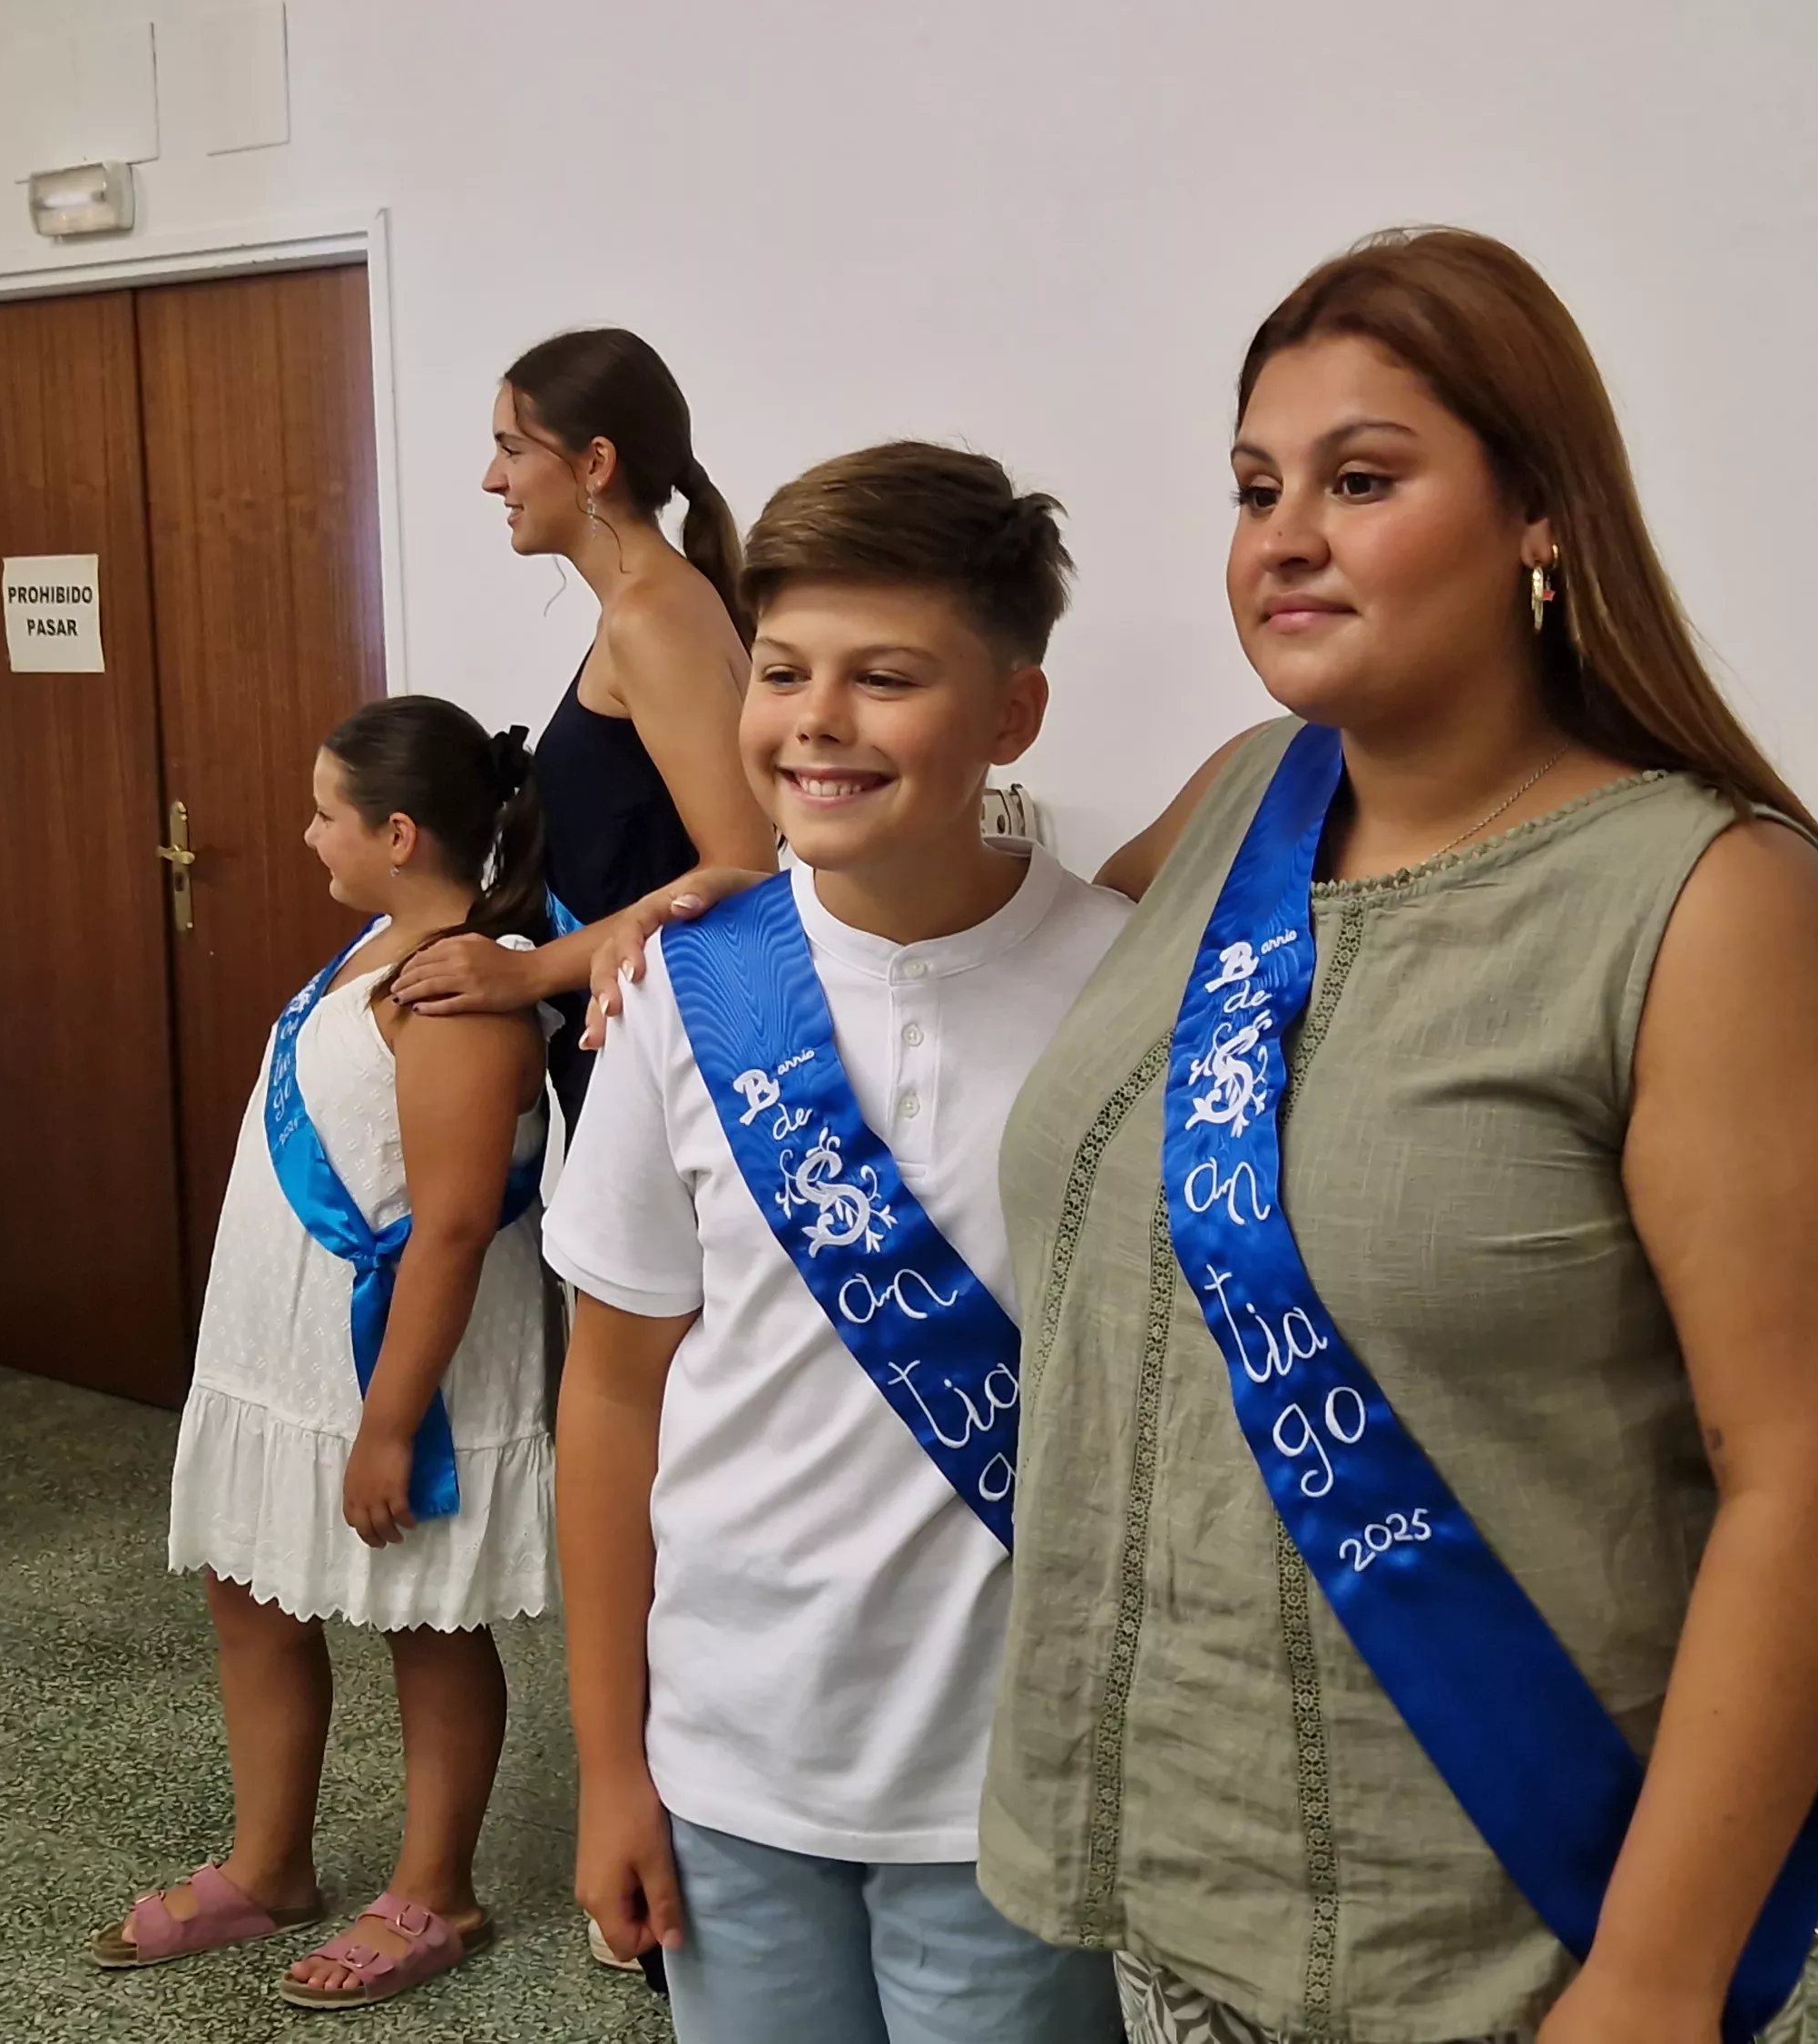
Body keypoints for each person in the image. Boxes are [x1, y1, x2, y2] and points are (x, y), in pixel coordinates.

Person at [978, 229, 1818, 2044]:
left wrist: (1648, 1984)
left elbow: (1807, 1488)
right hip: (1173, 1890)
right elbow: (980, 952)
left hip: (1506, 1939)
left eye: (1360, 478)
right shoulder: (1241, 801)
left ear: (1538, 517)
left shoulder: (1705, 904)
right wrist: (692, 916)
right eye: (1255, 485)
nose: (1282, 534)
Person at [545, 444, 1127, 2044]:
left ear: (1014, 712)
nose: (817, 720)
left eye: (888, 677)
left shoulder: (1129, 992)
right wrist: (612, 1765)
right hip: (732, 1768)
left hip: (1013, 1786)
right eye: (784, 669)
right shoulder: (684, 987)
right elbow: (608, 1397)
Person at [98, 698, 558, 2011]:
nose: (307, 834)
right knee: (252, 1594)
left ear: (399, 832)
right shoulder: (379, 942)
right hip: (285, 1364)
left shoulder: (465, 987)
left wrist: (389, 1422)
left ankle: (436, 1891)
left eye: (324, 812)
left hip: (397, 1373)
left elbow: (457, 1225)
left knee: (428, 1620)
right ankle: (271, 1863)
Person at [390, 329, 774, 1131]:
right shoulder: (646, 604)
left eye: (512, 450)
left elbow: (740, 867)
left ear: (595, 465)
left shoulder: (653, 616)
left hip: (665, 1029)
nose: (493, 480)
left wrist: (523, 976)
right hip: (631, 1009)